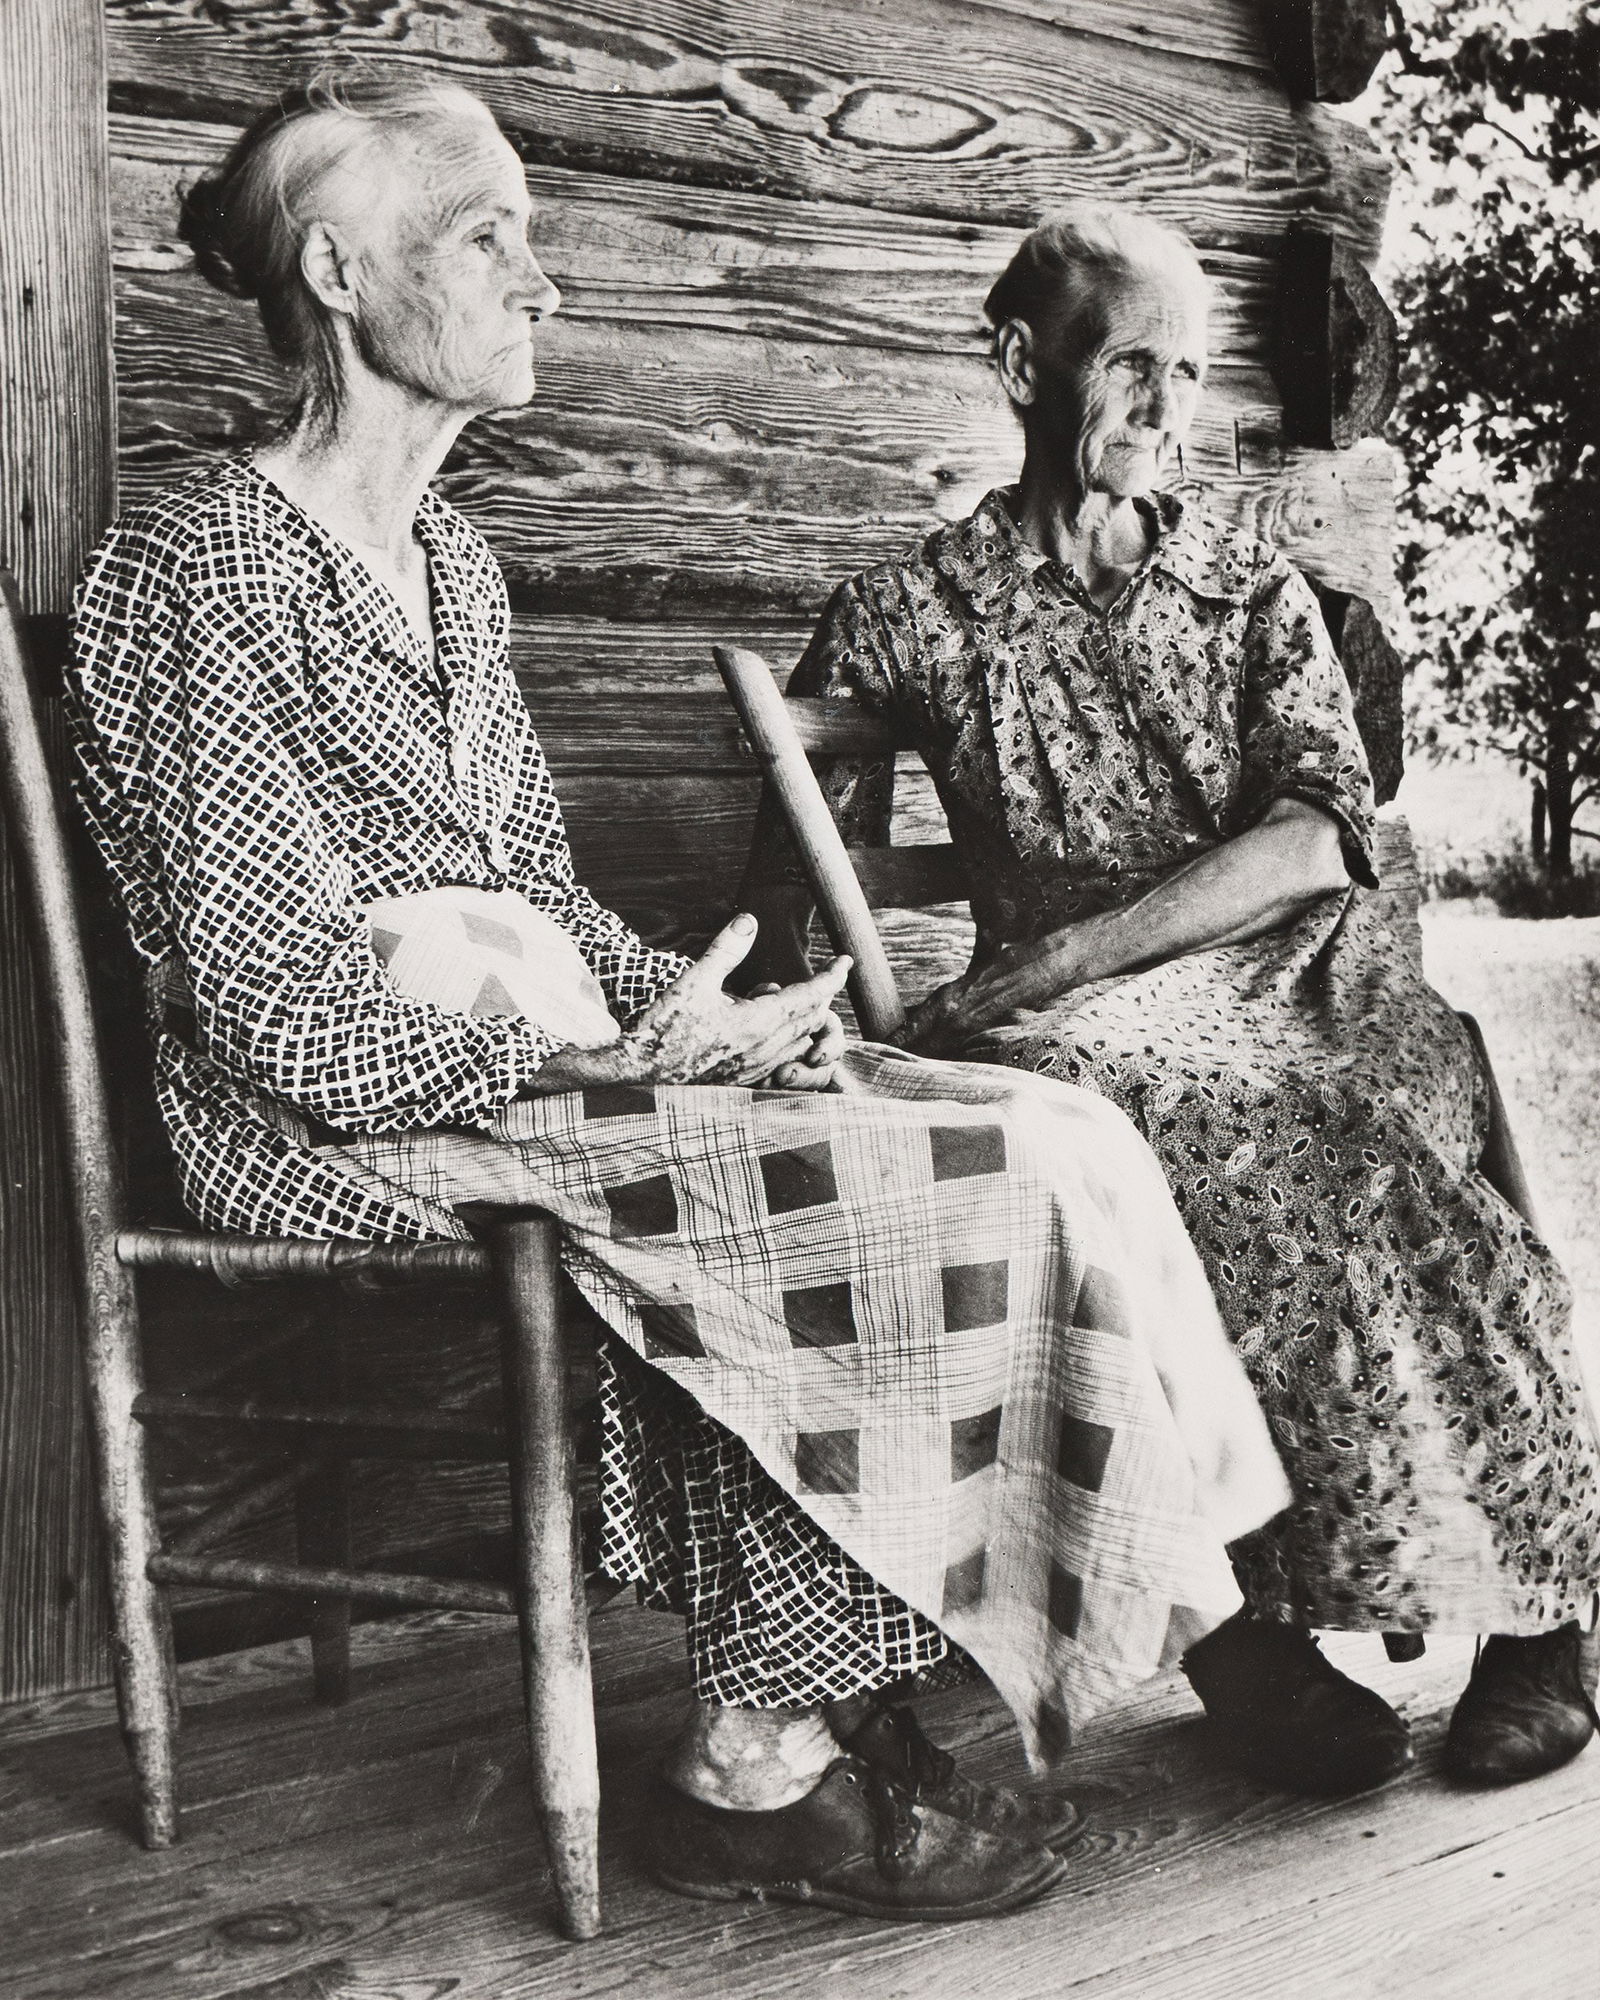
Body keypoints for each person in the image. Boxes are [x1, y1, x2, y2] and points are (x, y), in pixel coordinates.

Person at [66, 80, 1289, 1920]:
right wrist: (599, 1059)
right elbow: (280, 1009)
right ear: (335, 270)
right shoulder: (194, 570)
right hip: (325, 1116)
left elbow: (539, 897)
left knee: (1030, 1122)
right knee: (882, 1185)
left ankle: (817, 1689)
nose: (540, 286)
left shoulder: (452, 568)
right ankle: (751, 1762)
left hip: (523, 1060)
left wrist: (708, 1012)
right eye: (490, 239)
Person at [762, 202, 1600, 1797]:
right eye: (1132, 365)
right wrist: (811, 1009)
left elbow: (1317, 834)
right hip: (1083, 1026)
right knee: (1112, 1116)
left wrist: (1067, 955)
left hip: (1289, 955)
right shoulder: (912, 606)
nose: (1166, 408)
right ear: (1023, 363)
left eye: (1191, 374)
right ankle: (1246, 1634)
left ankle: (1540, 1611)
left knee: (1350, 1118)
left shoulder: (1245, 582)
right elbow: (794, 874)